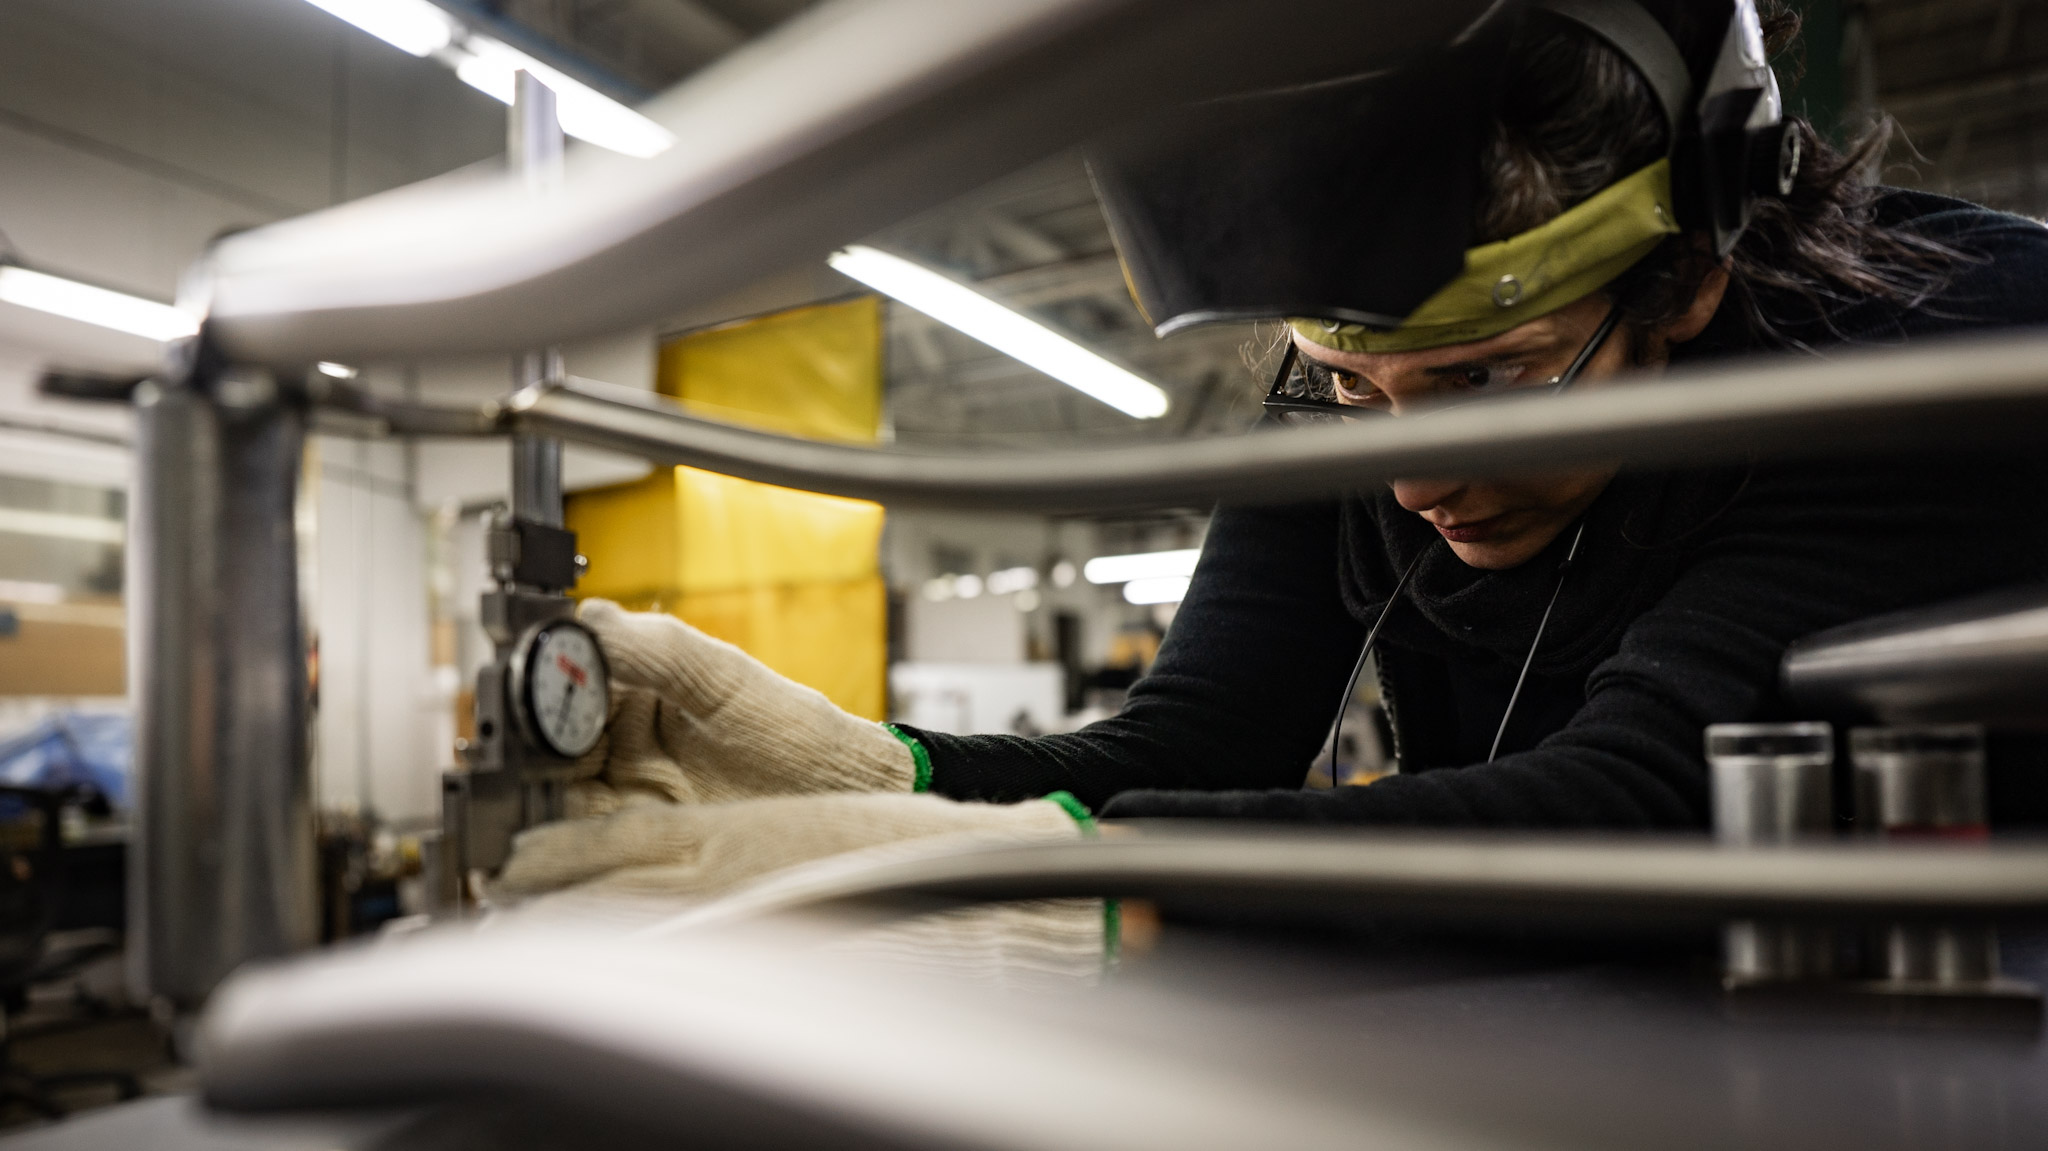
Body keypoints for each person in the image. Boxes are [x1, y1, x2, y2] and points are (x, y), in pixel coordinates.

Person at [500, 0, 2048, 900]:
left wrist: (1003, 887)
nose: (1410, 475)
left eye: (1494, 382)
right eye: (1353, 387)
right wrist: (842, 764)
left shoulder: (1934, 348)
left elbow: (1640, 803)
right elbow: (1184, 754)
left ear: (1690, 275)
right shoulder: (1363, 395)